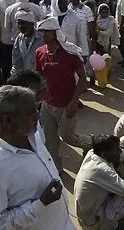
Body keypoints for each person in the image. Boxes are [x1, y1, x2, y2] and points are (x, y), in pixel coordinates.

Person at [0, 86, 73, 230]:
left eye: (36, 109)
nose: (37, 115)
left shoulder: (33, 135)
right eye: (30, 112)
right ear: (8, 120)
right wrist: (40, 205)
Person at [34, 17, 92, 172]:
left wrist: (74, 102)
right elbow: (38, 71)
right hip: (47, 104)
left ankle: (91, 144)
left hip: (67, 104)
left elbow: (83, 78)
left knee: (68, 137)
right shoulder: (39, 52)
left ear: (55, 33)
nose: (44, 35)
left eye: (47, 31)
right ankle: (56, 171)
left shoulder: (70, 53)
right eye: (42, 32)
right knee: (50, 142)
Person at [74, 134, 124, 230]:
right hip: (93, 220)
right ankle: (109, 224)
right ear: (104, 154)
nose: (120, 152)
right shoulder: (101, 169)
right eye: (116, 150)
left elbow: (118, 156)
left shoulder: (93, 153)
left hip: (88, 209)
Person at [51, 0, 90, 64]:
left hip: (71, 53)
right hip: (53, 54)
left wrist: (84, 54)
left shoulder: (74, 18)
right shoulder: (49, 19)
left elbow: (81, 36)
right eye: (61, 3)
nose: (64, 5)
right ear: (55, 4)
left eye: (65, 3)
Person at [11, 9, 43, 75]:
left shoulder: (42, 37)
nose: (20, 26)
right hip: (26, 78)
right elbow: (16, 62)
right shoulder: (19, 38)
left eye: (23, 23)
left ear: (32, 24)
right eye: (18, 23)